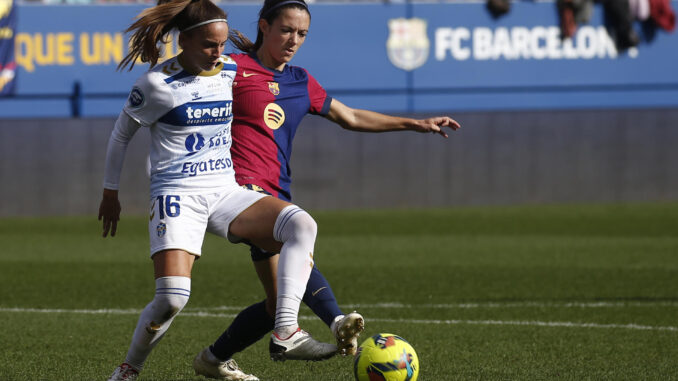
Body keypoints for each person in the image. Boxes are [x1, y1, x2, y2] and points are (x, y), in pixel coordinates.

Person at [192, 0, 461, 379]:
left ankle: (213, 358)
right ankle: (334, 322)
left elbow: (349, 116)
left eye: (302, 34)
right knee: (296, 239)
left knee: (276, 303)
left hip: (276, 195)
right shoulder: (233, 67)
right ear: (264, 26)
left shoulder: (301, 81)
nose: (294, 40)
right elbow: (184, 84)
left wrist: (414, 124)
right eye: (286, 30)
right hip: (238, 193)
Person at [98, 1, 337, 380]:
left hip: (225, 190)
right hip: (177, 195)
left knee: (301, 225)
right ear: (186, 40)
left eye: (223, 44)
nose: (219, 53)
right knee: (171, 299)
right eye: (210, 44)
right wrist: (111, 193)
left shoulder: (228, 70)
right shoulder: (156, 85)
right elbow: (120, 135)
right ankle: (129, 369)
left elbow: (260, 79)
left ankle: (286, 330)